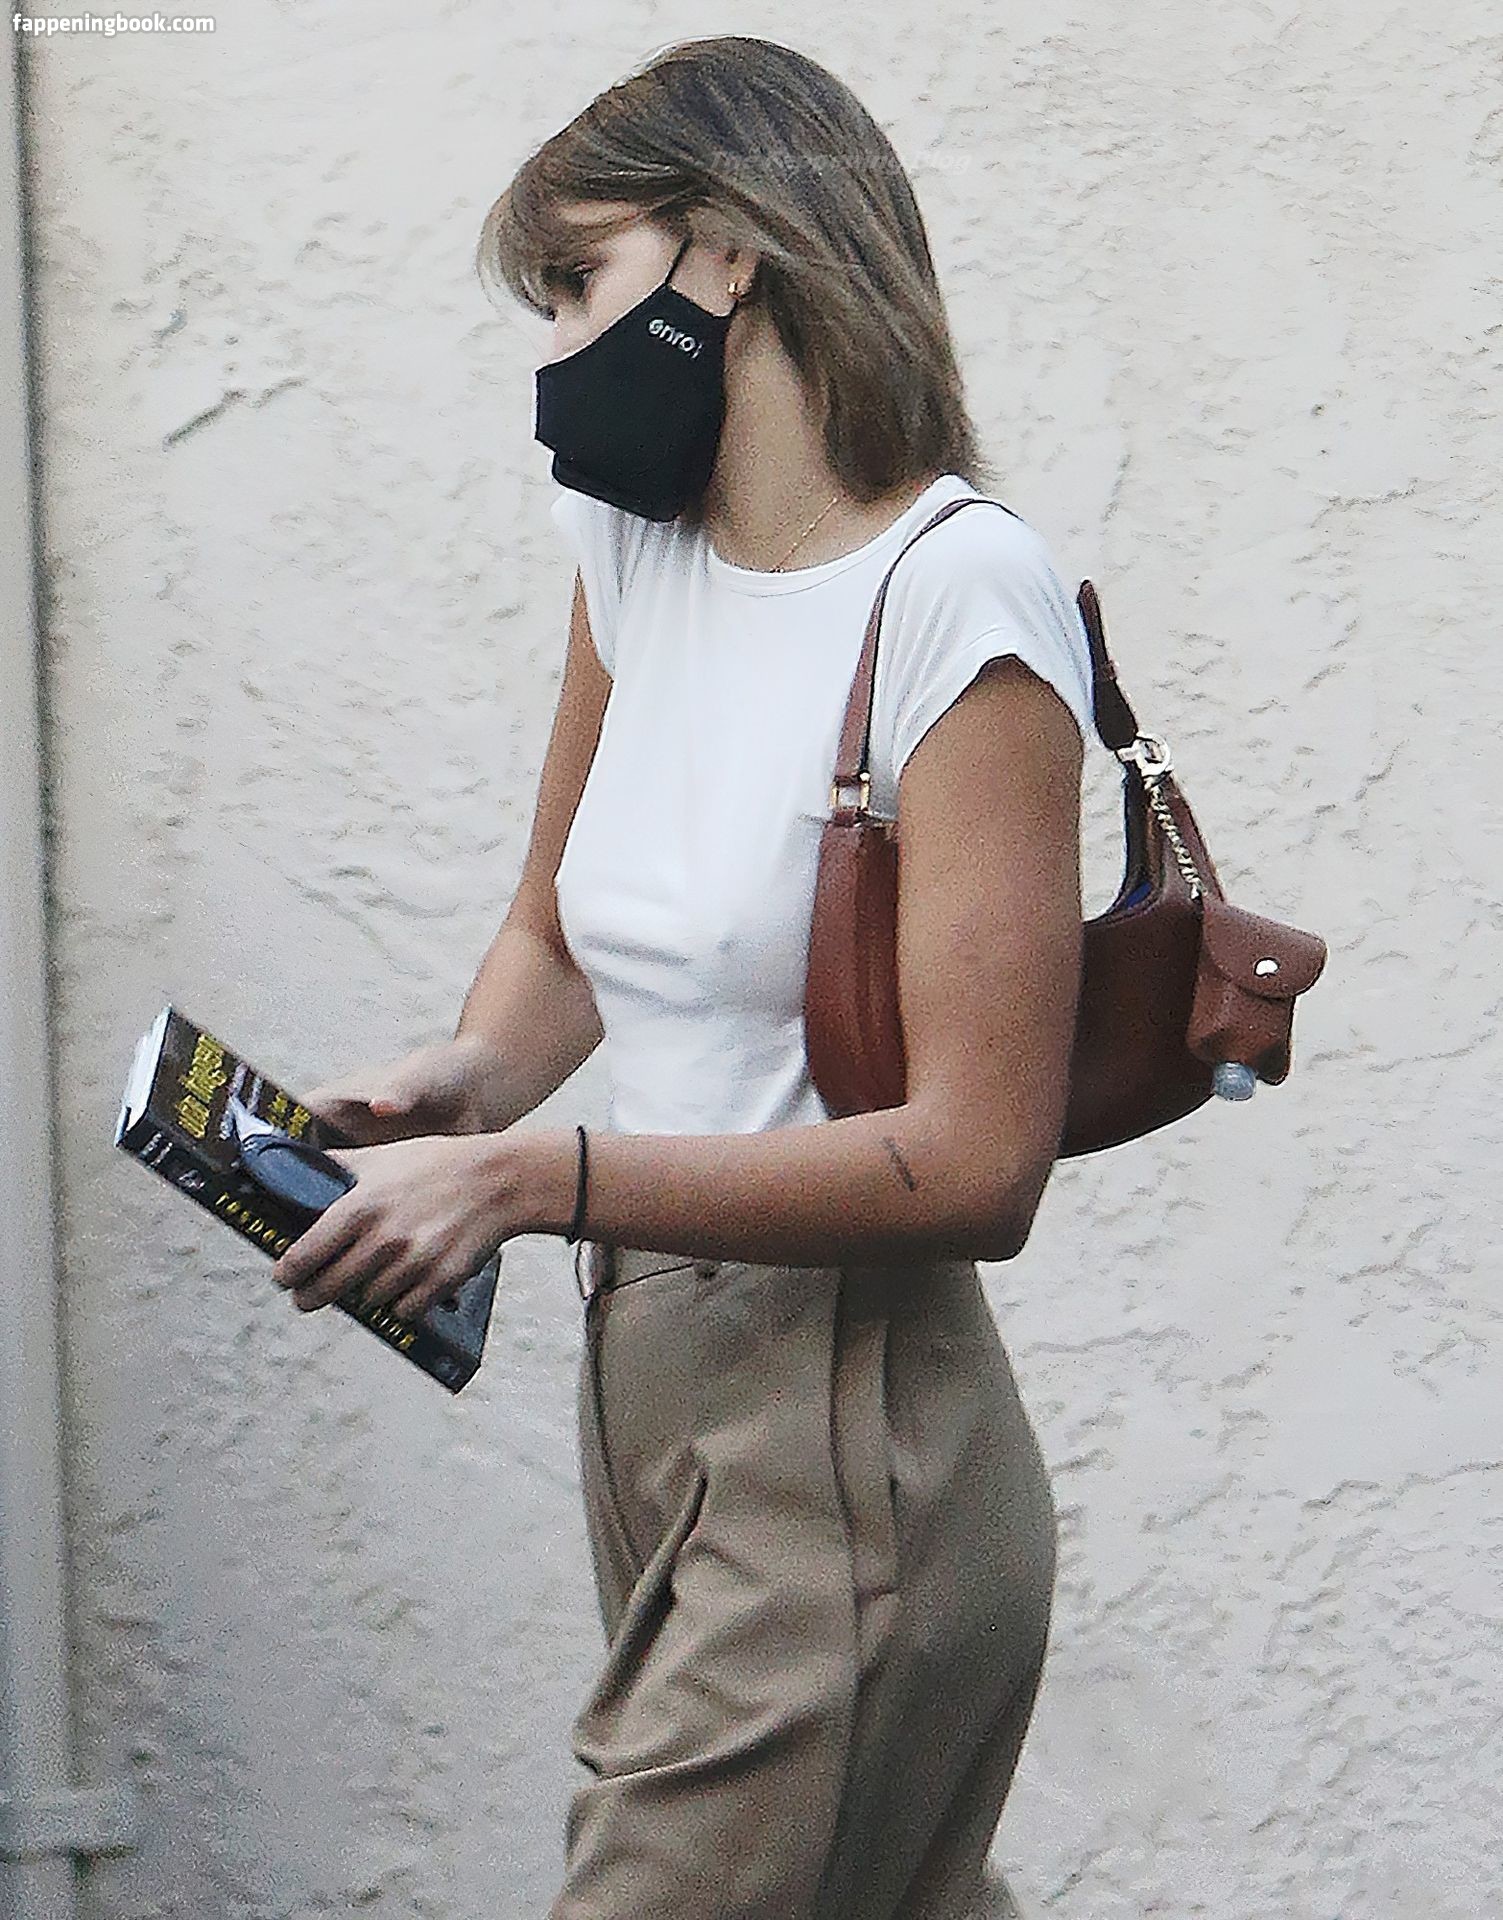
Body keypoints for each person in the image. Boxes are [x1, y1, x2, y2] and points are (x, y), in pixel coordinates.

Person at [271, 33, 1094, 1920]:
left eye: (579, 282)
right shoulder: (634, 552)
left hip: (850, 1419)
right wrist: (470, 1084)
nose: (558, 348)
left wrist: (528, 1178)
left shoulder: (958, 595)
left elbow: (978, 1162)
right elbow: (566, 929)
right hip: (651, 1390)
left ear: (731, 252)